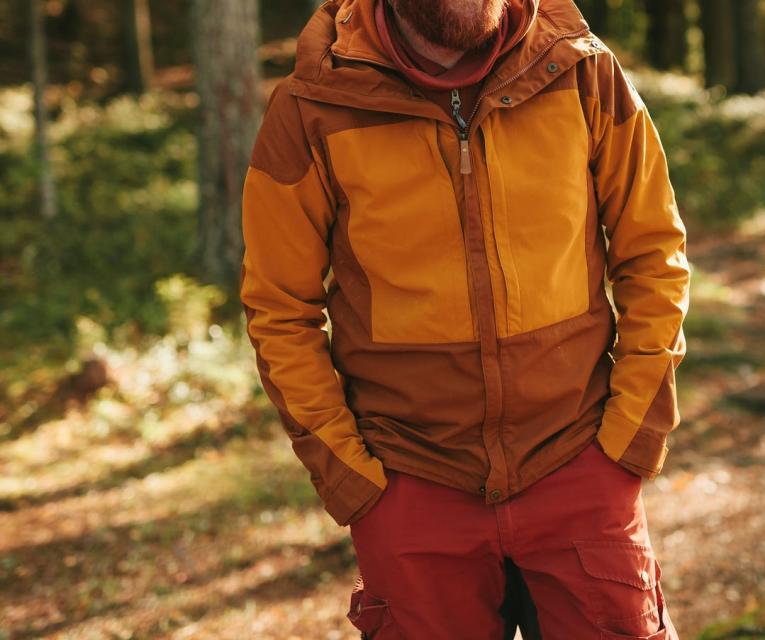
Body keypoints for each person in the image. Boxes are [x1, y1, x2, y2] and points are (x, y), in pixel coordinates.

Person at [239, 0, 690, 636]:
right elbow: (278, 307)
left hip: (580, 466)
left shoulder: (582, 71)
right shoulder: (312, 104)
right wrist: (352, 479)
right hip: (410, 483)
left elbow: (654, 253)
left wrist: (629, 438)